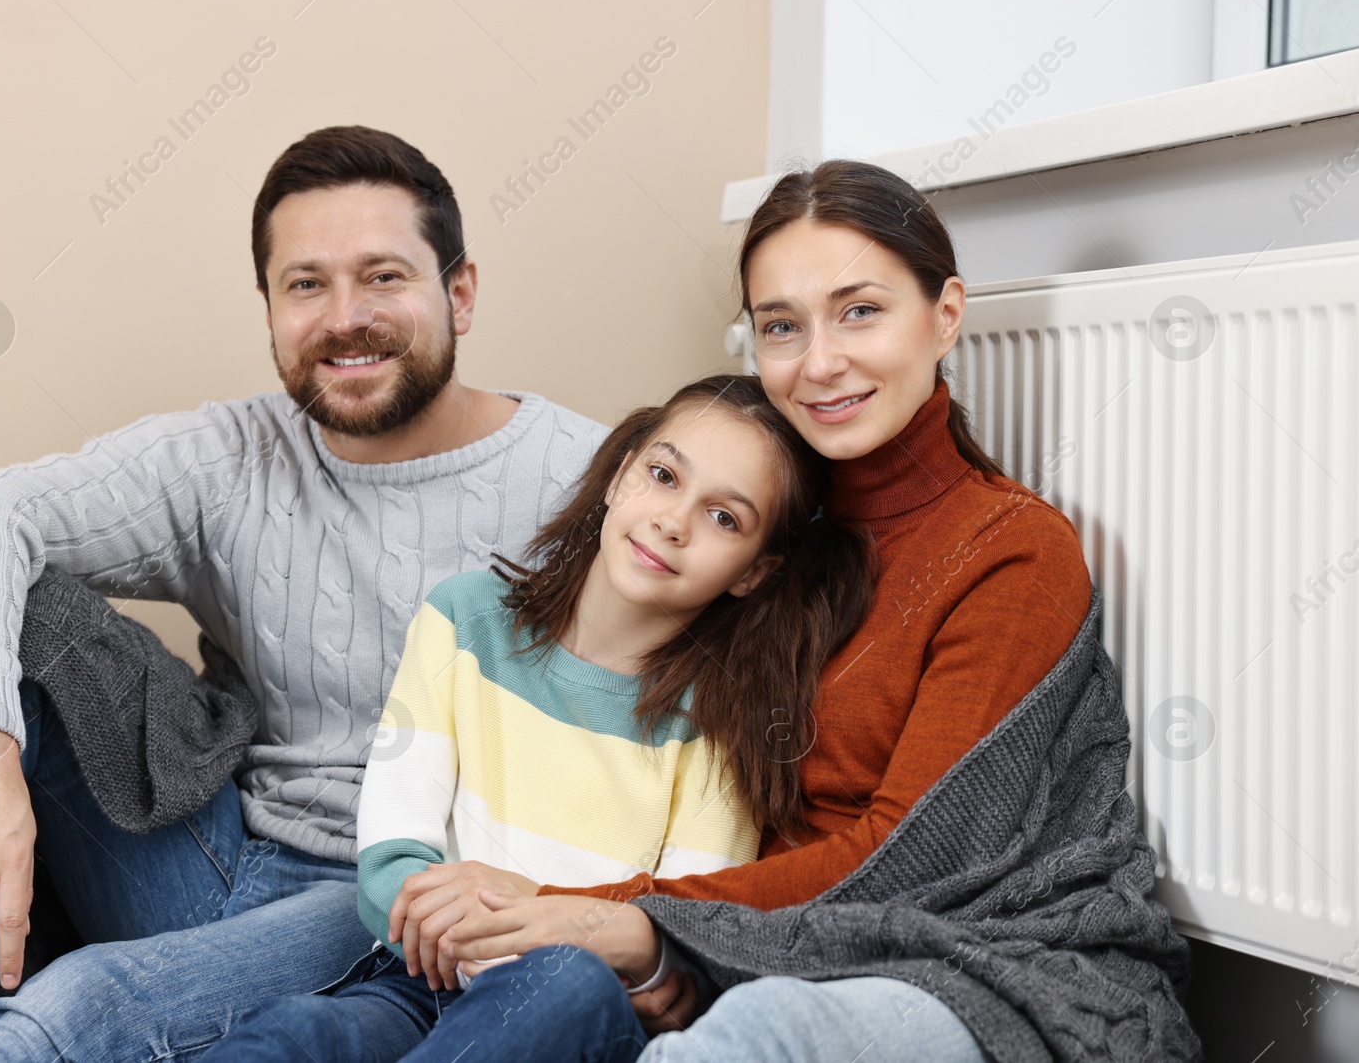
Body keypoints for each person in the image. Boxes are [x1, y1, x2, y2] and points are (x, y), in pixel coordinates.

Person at [0, 125, 609, 1062]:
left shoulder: (588, 482)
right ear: (268, 311)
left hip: (389, 899)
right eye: (307, 284)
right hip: (211, 853)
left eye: (384, 276)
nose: (346, 316)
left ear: (459, 292)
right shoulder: (232, 457)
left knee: (81, 1000)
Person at [376, 160, 1193, 1062]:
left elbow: (923, 856)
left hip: (973, 955)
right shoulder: (751, 533)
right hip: (757, 938)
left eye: (861, 311)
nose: (820, 362)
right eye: (781, 326)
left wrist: (630, 922)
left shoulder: (1010, 549)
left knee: (742, 1044)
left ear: (946, 314)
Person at [196, 373, 878, 1062]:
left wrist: (549, 940)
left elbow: (686, 921)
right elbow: (391, 856)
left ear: (753, 571)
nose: (674, 521)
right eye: (664, 474)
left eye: (724, 517)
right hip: (421, 979)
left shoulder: (721, 720)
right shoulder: (463, 618)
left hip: (575, 1002)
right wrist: (455, 935)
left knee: (564, 979)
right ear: (619, 475)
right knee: (298, 1033)